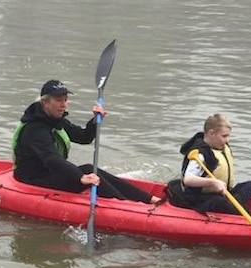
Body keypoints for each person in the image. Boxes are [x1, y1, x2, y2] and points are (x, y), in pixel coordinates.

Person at [12, 79, 159, 204]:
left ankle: (149, 199)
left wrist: (95, 121)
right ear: (45, 103)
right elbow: (52, 159)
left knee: (90, 168)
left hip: (50, 173)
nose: (64, 104)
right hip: (34, 180)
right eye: (58, 100)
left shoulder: (54, 120)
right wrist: (79, 177)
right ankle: (125, 206)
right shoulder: (35, 130)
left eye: (65, 100)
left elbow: (83, 137)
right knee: (87, 171)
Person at [171, 113, 251, 219]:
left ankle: (233, 206)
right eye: (224, 136)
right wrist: (213, 182)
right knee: (218, 201)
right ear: (211, 133)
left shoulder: (222, 148)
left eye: (228, 136)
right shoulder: (200, 154)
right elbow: (188, 180)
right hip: (198, 199)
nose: (227, 140)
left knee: (250, 185)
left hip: (221, 193)